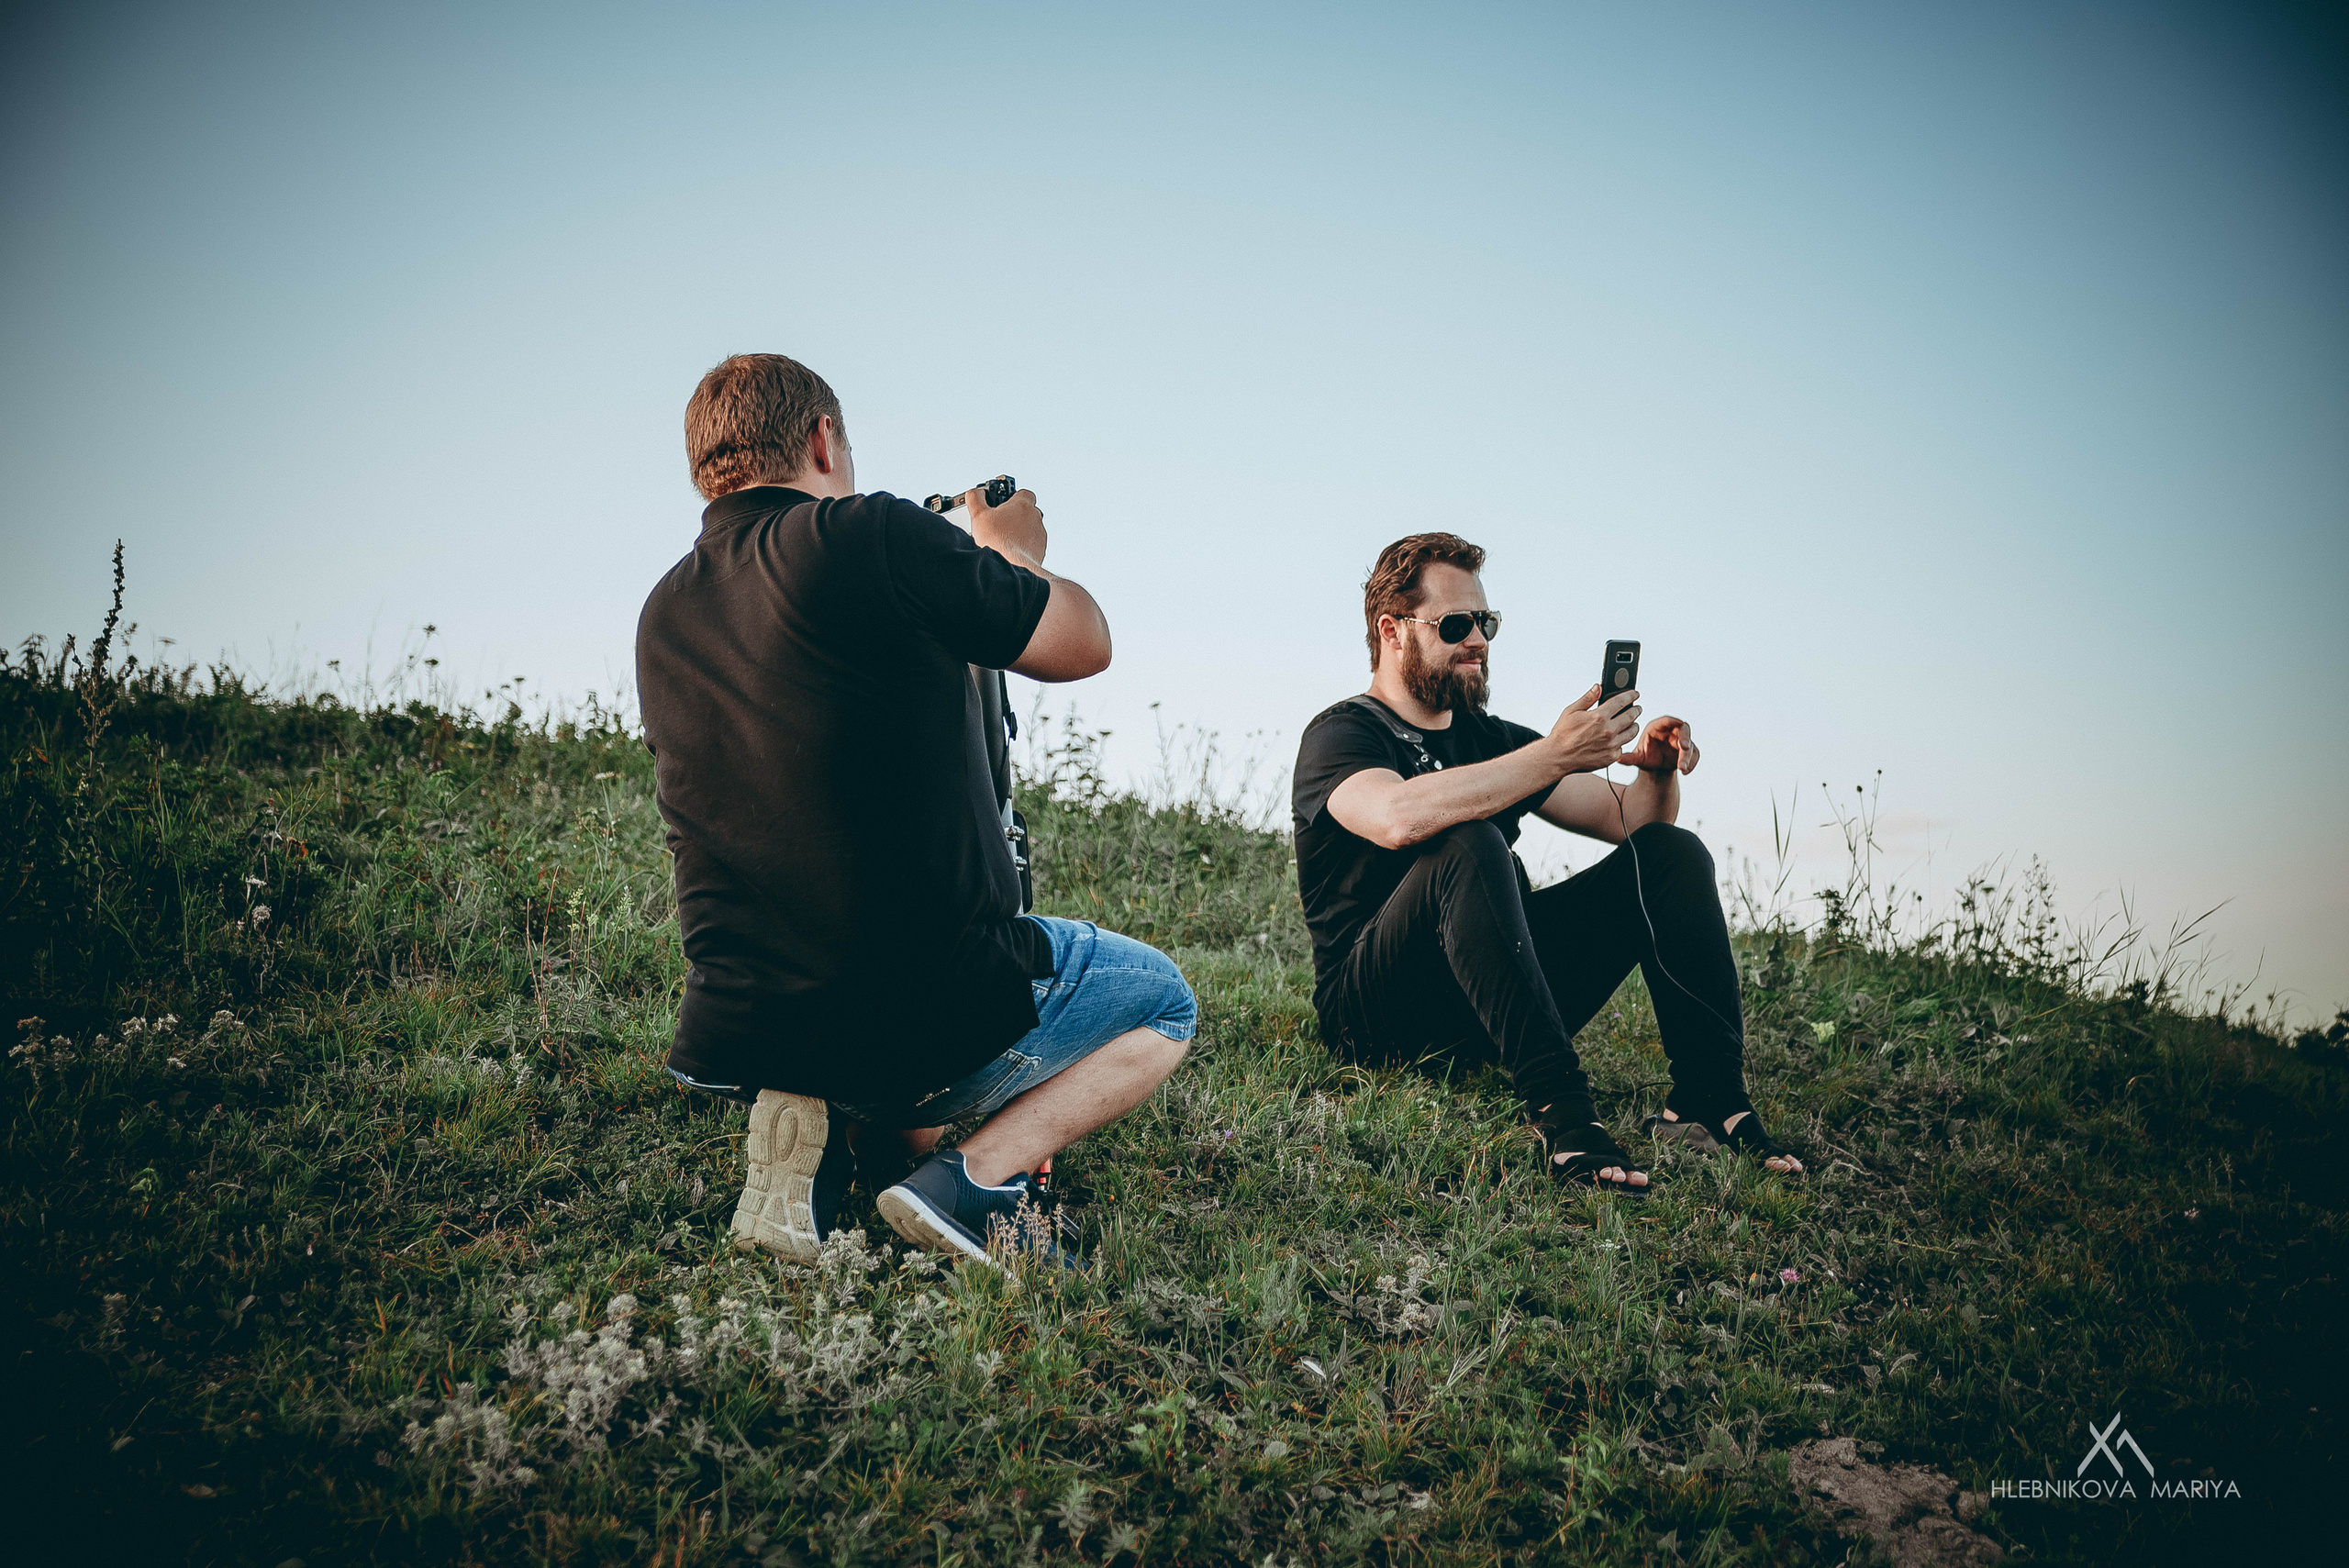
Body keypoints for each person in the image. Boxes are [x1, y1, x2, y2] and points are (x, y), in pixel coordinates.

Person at [637, 353, 1195, 1266]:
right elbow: (1080, 642)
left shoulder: (665, 606)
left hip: (745, 1020)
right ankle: (975, 1186)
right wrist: (1008, 545)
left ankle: (819, 1126)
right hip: (912, 998)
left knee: (903, 1132)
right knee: (1161, 1001)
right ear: (823, 438)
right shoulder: (866, 534)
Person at [1290, 532, 1804, 1195]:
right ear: (1392, 631)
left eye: (1486, 622)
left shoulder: (1493, 739)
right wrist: (1554, 754)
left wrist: (1656, 770)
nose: (1477, 639)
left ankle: (1708, 1099)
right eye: (1455, 624)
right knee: (1467, 841)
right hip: (1379, 1014)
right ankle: (1564, 1116)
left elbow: (1638, 823)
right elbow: (1397, 817)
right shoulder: (1342, 733)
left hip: (1490, 1003)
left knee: (1672, 856)